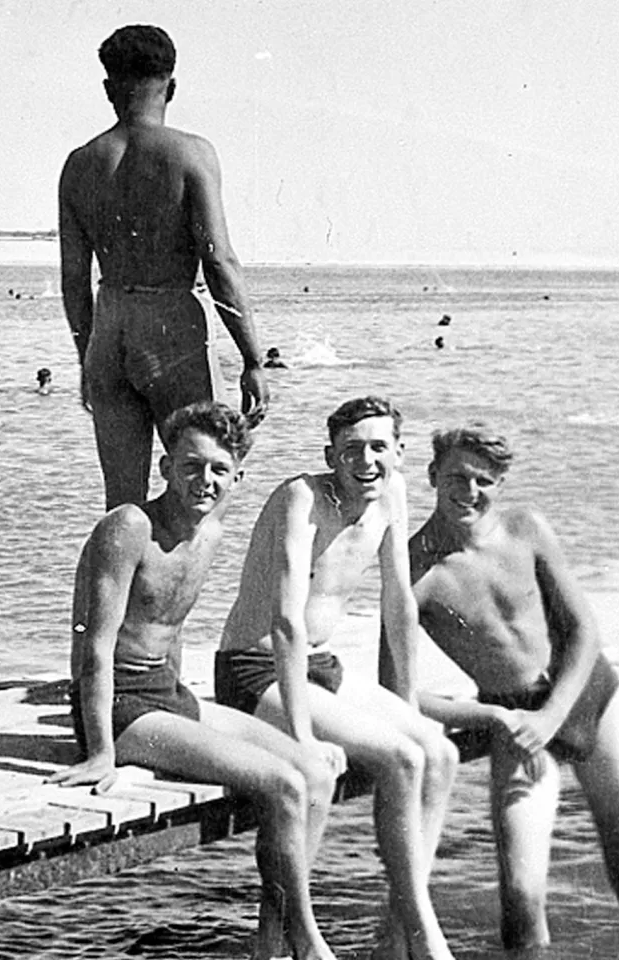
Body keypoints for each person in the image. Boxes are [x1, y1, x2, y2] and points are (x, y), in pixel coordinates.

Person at [48, 402, 337, 960]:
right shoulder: (129, 527)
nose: (204, 481)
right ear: (164, 468)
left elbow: (171, 629)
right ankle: (306, 939)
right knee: (284, 785)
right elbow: (94, 647)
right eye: (191, 465)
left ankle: (269, 943)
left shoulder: (211, 533)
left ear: (237, 478)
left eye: (219, 470)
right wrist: (102, 751)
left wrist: (189, 713)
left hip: (168, 696)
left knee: (315, 771)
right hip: (121, 708)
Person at [406, 425, 619, 949]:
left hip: (589, 696)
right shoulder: (417, 569)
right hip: (514, 719)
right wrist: (492, 719)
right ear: (432, 476)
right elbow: (400, 693)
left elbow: (584, 630)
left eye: (484, 480)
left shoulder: (527, 529)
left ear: (501, 484)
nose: (469, 491)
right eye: (456, 476)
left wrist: (551, 717)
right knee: (521, 898)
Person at [217, 396, 459, 960]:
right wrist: (301, 736)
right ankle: (421, 934)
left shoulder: (392, 494)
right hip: (258, 670)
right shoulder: (301, 499)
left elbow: (398, 604)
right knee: (402, 759)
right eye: (352, 450)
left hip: (323, 664)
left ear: (399, 452)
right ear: (330, 455)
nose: (366, 460)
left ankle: (398, 931)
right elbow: (283, 620)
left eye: (379, 448)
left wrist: (406, 704)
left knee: (436, 752)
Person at [60, 24, 268, 508]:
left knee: (121, 504)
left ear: (109, 88)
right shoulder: (190, 154)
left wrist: (86, 358)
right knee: (203, 493)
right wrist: (253, 360)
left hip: (109, 329)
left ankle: (118, 585)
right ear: (171, 87)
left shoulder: (79, 164)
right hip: (173, 325)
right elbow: (219, 263)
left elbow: (74, 280)